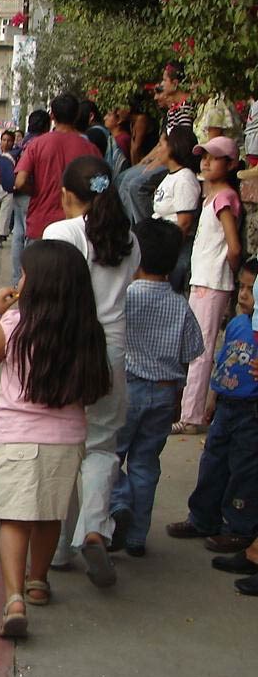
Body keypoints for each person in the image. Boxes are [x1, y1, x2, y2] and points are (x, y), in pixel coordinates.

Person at [0, 240, 112, 638]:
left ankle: (14, 597)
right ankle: (38, 581)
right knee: (50, 513)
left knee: (15, 518)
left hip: (17, 435)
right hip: (66, 438)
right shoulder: (87, 330)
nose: (20, 279)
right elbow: (96, 386)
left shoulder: (16, 323)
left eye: (25, 273)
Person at [43, 156, 139, 586]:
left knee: (63, 444)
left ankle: (58, 548)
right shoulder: (128, 239)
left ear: (66, 195)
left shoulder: (60, 233)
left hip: (65, 347)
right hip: (112, 350)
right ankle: (94, 529)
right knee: (101, 444)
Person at [108, 220, 205, 558]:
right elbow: (192, 354)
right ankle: (136, 537)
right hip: (164, 393)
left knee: (110, 456)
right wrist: (178, 400)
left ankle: (118, 504)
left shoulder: (125, 298)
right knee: (146, 464)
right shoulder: (182, 306)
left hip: (128, 389)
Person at [165, 259, 258, 553]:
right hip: (226, 406)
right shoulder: (238, 324)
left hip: (250, 411)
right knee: (212, 462)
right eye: (242, 287)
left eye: (251, 289)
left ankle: (239, 528)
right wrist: (212, 398)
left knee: (244, 470)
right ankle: (203, 517)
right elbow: (224, 362)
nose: (244, 294)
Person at [177, 136, 243, 434]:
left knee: (200, 351)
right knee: (197, 347)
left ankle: (191, 416)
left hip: (212, 282)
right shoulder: (212, 196)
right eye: (203, 156)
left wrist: (228, 273)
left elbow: (234, 247)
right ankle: (191, 410)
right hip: (204, 280)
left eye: (214, 157)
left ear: (230, 164)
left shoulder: (224, 198)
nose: (205, 161)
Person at [15, 93, 94, 242]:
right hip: (77, 228)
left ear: (52, 116)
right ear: (77, 115)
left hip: (41, 223)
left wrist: (36, 192)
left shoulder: (37, 145)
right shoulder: (90, 149)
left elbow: (19, 182)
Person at [151, 125, 201, 291]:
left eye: (161, 145)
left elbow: (184, 223)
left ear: (174, 146)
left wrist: (167, 254)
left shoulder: (185, 178)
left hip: (176, 248)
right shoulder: (171, 176)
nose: (158, 150)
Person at [12, 110, 49, 282]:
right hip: (29, 193)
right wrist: (33, 191)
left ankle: (16, 278)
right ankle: (27, 279)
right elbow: (22, 180)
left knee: (18, 234)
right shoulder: (41, 143)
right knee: (30, 236)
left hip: (17, 195)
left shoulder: (23, 141)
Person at [0, 129, 17, 247]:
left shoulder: (15, 155)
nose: (6, 143)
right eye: (4, 140)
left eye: (9, 141)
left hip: (8, 187)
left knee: (5, 212)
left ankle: (0, 236)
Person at [159, 60, 195, 133]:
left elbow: (182, 141)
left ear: (175, 83)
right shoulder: (173, 109)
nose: (161, 84)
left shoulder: (186, 109)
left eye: (165, 80)